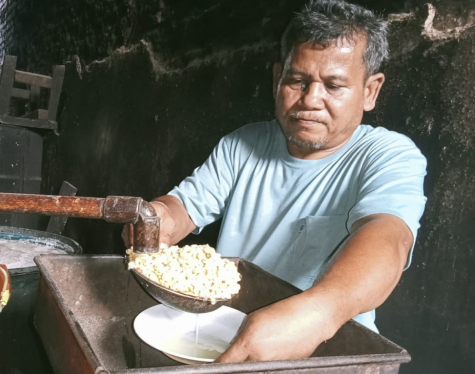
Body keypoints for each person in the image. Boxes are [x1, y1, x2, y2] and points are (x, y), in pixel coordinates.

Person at [123, 0, 427, 363]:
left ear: (370, 91)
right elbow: (183, 207)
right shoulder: (243, 145)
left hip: (327, 348)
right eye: (298, 81)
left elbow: (388, 238)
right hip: (227, 331)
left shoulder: (387, 155)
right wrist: (157, 219)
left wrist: (318, 315)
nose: (311, 100)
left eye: (334, 86)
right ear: (276, 78)